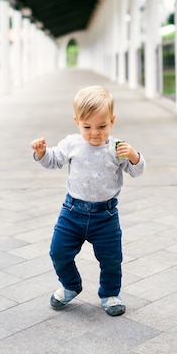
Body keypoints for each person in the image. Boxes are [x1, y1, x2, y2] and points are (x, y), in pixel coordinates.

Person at [31, 84, 146, 316]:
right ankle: (71, 284)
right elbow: (53, 160)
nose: (95, 132)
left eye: (102, 126)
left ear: (112, 121)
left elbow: (137, 170)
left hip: (106, 216)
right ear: (77, 122)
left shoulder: (116, 147)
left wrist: (134, 156)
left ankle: (110, 293)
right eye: (87, 126)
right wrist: (42, 153)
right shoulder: (72, 143)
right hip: (72, 212)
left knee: (111, 258)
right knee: (58, 251)